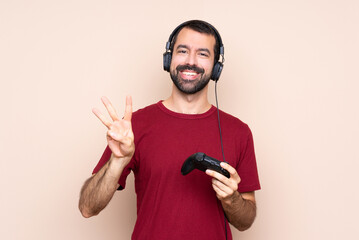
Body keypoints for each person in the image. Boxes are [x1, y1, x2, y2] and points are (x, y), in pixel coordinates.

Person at [79, 20, 260, 240]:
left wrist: (232, 199)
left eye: (203, 54)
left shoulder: (239, 132)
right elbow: (88, 207)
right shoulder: (134, 126)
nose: (191, 61)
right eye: (183, 51)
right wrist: (117, 161)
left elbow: (246, 221)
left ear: (216, 67)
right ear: (169, 58)